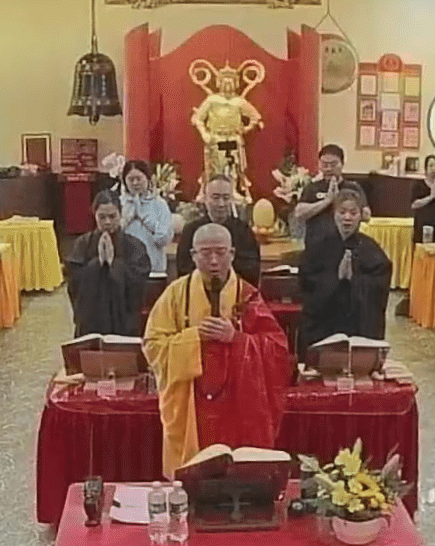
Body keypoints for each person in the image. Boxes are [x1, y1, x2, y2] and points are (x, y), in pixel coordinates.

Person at [143, 223, 292, 477]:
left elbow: (278, 350)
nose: (214, 261)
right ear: (193, 255)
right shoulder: (175, 295)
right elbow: (152, 345)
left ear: (232, 254)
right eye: (205, 253)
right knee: (194, 473)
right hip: (192, 401)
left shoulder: (247, 297)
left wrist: (236, 338)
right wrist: (193, 338)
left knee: (238, 471)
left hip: (237, 401)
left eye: (221, 253)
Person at [298, 189, 393, 355]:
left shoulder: (371, 249)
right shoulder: (318, 247)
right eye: (342, 212)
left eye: (353, 213)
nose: (347, 218)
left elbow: (380, 287)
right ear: (334, 215)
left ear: (360, 216)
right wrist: (335, 278)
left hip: (359, 326)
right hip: (325, 326)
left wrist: (354, 279)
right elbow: (306, 285)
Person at [65, 191, 151, 338]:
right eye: (102, 217)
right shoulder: (83, 244)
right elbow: (74, 280)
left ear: (120, 215)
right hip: (92, 318)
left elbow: (140, 282)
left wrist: (114, 264)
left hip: (123, 319)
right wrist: (97, 263)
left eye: (112, 216)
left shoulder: (134, 246)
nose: (107, 222)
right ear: (94, 215)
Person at [176, 173, 261, 283]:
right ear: (205, 199)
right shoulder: (191, 230)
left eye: (226, 198)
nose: (221, 204)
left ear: (232, 199)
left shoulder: (243, 231)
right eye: (215, 198)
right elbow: (183, 269)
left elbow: (251, 269)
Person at [294, 144, 370, 247]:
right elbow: (299, 213)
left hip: (347, 245)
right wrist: (326, 201)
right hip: (317, 245)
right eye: (325, 165)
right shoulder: (312, 187)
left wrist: (345, 205)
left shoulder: (353, 187)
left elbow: (366, 215)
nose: (329, 169)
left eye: (333, 165)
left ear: (342, 164)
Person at [119, 160, 174, 274]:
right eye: (131, 179)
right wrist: (126, 219)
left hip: (153, 267)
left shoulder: (159, 204)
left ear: (148, 179)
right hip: (124, 269)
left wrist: (146, 219)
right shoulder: (119, 203)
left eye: (139, 179)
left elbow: (164, 239)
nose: (135, 183)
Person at [409, 154, 435, 245]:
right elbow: (414, 204)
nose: (433, 169)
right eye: (431, 165)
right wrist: (430, 197)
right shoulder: (419, 185)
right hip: (421, 224)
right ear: (426, 168)